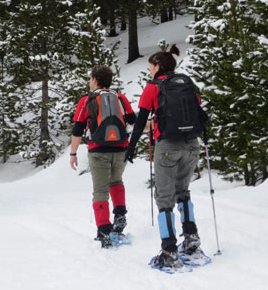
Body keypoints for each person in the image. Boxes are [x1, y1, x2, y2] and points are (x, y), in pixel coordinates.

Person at [125, 44, 203, 268]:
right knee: (183, 191)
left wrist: (131, 147)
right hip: (192, 145)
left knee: (164, 196)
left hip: (168, 146)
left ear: (158, 66)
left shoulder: (153, 87)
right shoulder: (188, 85)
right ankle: (191, 238)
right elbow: (200, 113)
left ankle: (169, 251)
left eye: (150, 67)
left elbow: (140, 122)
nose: (150, 71)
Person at [70, 65, 136, 248]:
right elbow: (134, 122)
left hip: (98, 151)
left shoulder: (86, 100)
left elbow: (78, 130)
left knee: (100, 190)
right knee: (116, 181)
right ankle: (120, 216)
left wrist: (73, 153)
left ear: (94, 80)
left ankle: (103, 231)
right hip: (120, 149)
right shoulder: (120, 98)